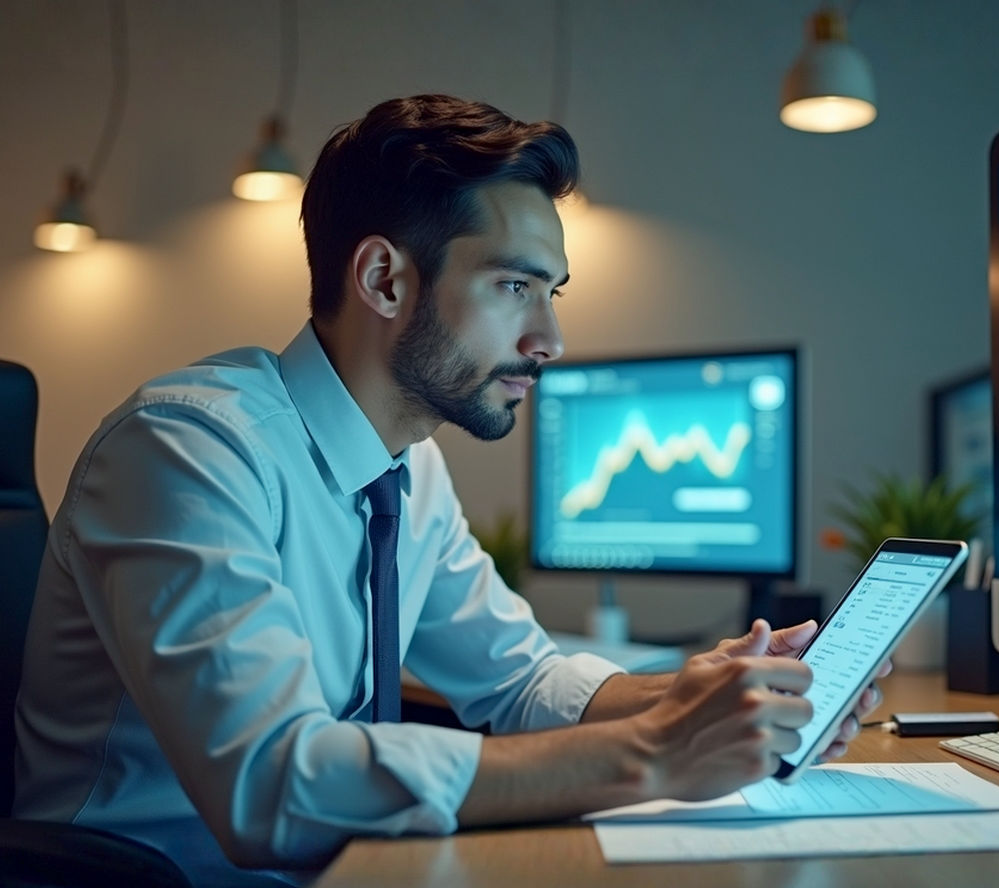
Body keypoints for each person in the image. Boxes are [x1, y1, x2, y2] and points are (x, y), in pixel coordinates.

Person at [12, 94, 887, 887]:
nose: (550, 337)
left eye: (552, 294)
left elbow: (518, 681)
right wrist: (656, 753)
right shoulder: (187, 452)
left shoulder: (407, 466)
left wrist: (697, 693)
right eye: (514, 287)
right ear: (386, 280)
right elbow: (272, 787)